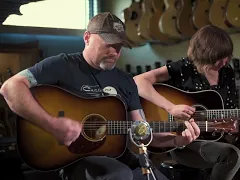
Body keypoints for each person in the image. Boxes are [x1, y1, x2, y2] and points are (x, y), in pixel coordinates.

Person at [0, 12, 201, 180]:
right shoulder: (60, 65)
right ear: (87, 37)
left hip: (122, 159)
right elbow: (10, 87)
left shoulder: (125, 80)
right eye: (108, 44)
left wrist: (176, 141)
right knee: (121, 175)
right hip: (73, 158)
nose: (115, 52)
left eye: (119, 46)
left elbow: (142, 133)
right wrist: (51, 124)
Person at [134, 25, 240, 180]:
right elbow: (138, 81)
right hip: (185, 142)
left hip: (216, 141)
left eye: (227, 56)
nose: (225, 61)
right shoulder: (185, 68)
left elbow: (232, 113)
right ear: (205, 55)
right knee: (231, 155)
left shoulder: (227, 72)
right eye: (219, 57)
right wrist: (170, 107)